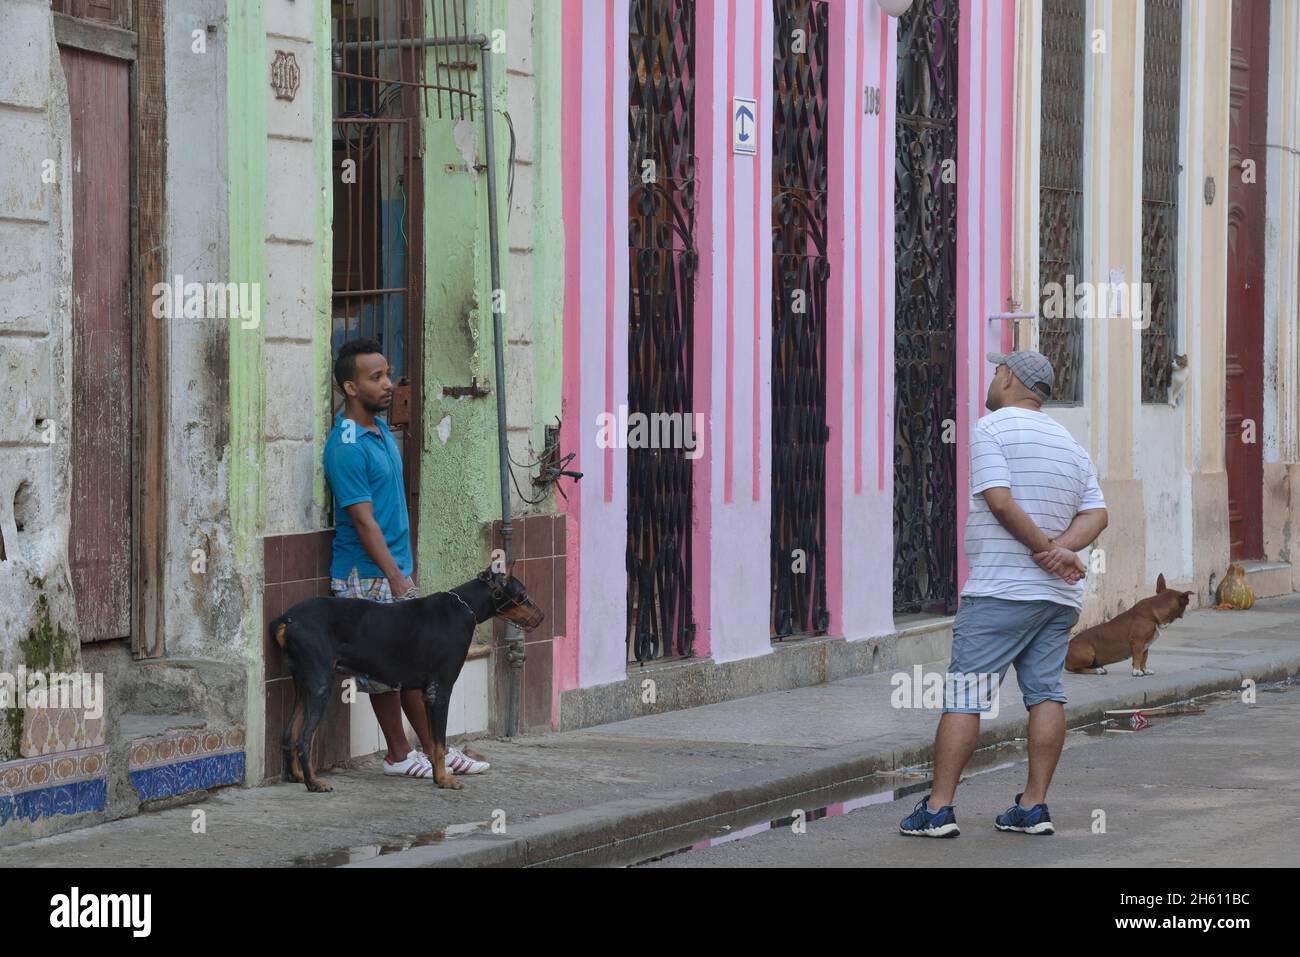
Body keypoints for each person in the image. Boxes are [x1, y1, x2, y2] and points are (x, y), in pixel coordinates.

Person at [900, 350, 1108, 837]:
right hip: (1056, 600)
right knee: (1046, 694)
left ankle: (937, 810)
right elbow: (1098, 515)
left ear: (1011, 377)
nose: (992, 378)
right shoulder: (1070, 444)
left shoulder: (989, 430)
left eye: (997, 370)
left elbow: (998, 501)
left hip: (999, 590)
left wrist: (1044, 550)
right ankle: (1033, 807)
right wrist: (1061, 552)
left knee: (965, 697)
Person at [323, 337, 488, 778]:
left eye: (388, 373)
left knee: (413, 664)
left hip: (393, 568)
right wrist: (395, 576)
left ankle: (435, 750)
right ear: (350, 387)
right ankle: (399, 753)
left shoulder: (379, 432)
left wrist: (401, 570)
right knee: (384, 668)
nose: (389, 383)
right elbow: (363, 521)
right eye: (375, 377)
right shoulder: (346, 444)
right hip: (367, 575)